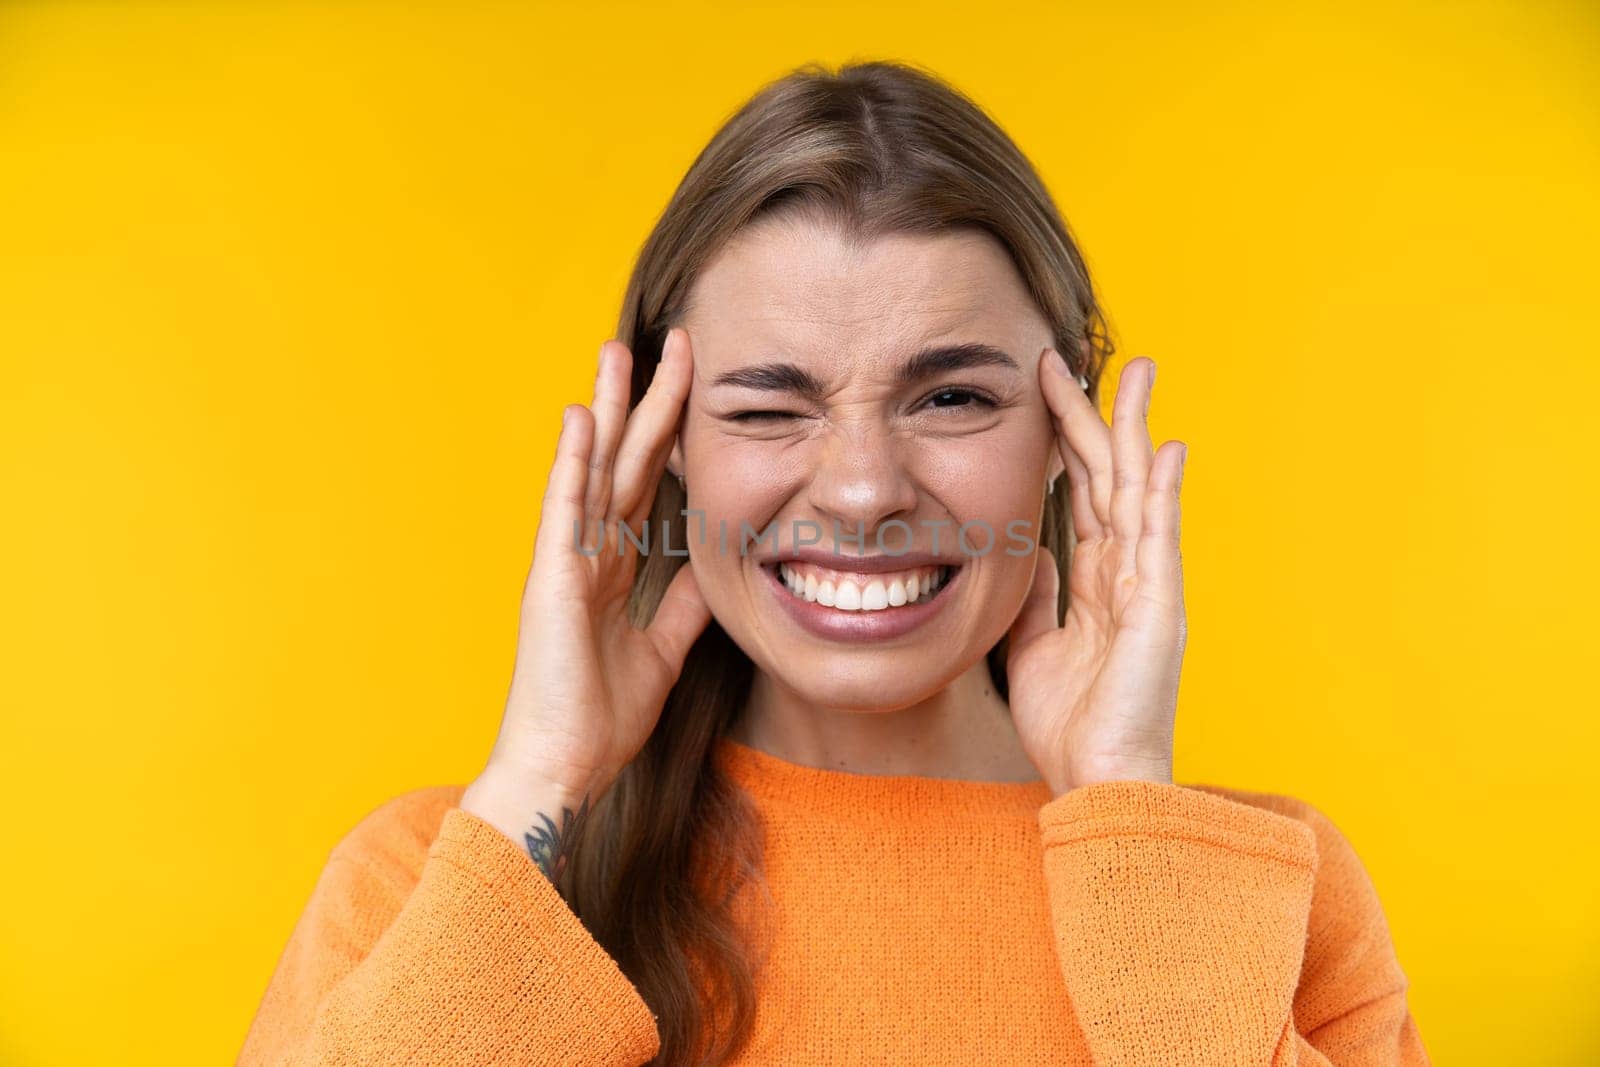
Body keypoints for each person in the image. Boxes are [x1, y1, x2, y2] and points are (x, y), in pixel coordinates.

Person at [238, 59, 1431, 1066]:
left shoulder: (1272, 897)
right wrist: (541, 782)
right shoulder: (440, 883)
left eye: (952, 395)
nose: (863, 489)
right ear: (666, 450)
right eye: (768, 409)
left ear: (1066, 441)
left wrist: (1126, 798)